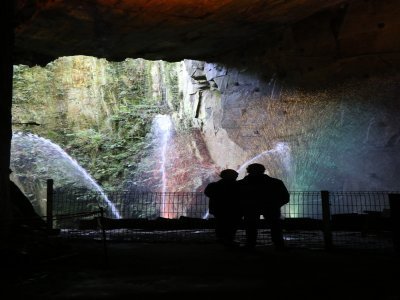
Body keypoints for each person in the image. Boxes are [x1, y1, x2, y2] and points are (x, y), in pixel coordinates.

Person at [237, 163, 289, 250]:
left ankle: (250, 244)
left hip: (250, 208)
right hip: (271, 207)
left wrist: (243, 206)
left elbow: (236, 197)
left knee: (251, 227)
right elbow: (285, 197)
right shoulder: (276, 182)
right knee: (275, 226)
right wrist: (276, 205)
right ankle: (279, 244)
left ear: (248, 171)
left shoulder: (241, 184)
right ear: (263, 170)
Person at [204, 169, 242, 248]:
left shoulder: (213, 185)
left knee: (220, 224)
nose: (237, 175)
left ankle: (222, 239)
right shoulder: (238, 185)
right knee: (232, 225)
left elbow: (208, 193)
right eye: (235, 174)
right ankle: (229, 240)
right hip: (234, 209)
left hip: (218, 209)